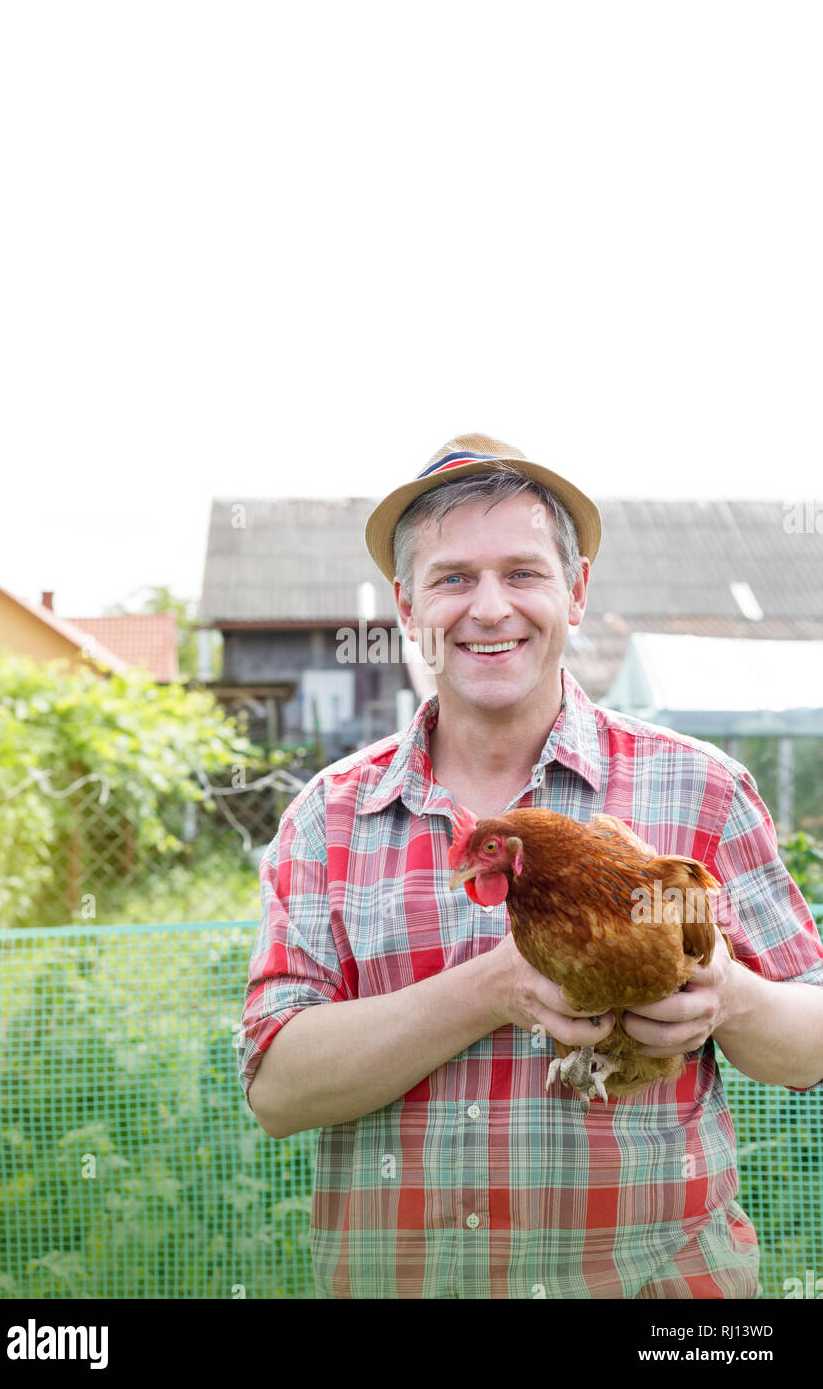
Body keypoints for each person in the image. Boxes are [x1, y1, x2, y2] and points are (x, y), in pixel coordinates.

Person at [237, 432, 823, 1299]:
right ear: (405, 605)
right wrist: (497, 987)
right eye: (452, 579)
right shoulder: (327, 820)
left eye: (522, 573)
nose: (488, 608)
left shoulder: (700, 790)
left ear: (575, 590)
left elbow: (809, 1043)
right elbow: (277, 1091)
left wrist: (727, 995)